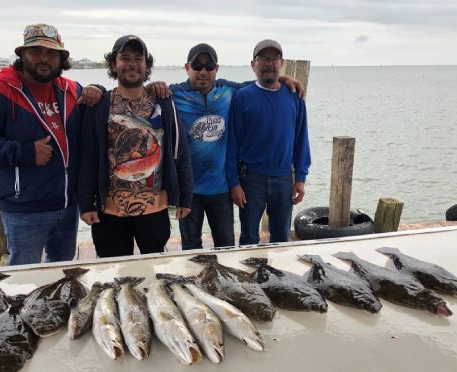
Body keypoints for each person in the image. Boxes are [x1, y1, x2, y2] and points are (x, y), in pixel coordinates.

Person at [0, 23, 103, 265]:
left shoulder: (71, 90)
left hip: (67, 204)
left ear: (61, 58)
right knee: (23, 273)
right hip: (23, 207)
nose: (44, 59)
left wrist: (98, 89)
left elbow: (99, 100)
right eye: (36, 51)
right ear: (22, 54)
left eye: (51, 53)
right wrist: (26, 152)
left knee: (60, 267)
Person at [169, 43, 305, 250]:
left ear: (217, 69)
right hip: (188, 189)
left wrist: (283, 79)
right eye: (197, 66)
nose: (203, 71)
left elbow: (260, 87)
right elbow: (146, 96)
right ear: (187, 68)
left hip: (221, 188)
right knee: (191, 247)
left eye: (209, 66)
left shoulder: (229, 91)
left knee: (226, 246)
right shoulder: (173, 95)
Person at [78, 35, 193, 258]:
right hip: (109, 212)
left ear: (146, 65)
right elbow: (88, 158)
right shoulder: (99, 105)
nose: (132, 63)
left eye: (138, 58)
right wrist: (85, 203)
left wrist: (185, 197)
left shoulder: (164, 103)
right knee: (114, 272)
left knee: (154, 270)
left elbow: (181, 152)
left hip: (154, 209)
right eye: (125, 58)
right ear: (113, 64)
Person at [226, 39, 311, 245]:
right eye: (263, 58)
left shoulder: (294, 96)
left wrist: (300, 177)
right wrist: (234, 182)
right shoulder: (242, 97)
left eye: (274, 58)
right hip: (250, 180)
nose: (269, 63)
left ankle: (280, 276)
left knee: (281, 237)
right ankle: (249, 276)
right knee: (248, 237)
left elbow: (301, 139)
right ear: (253, 64)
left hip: (283, 180)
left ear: (281, 63)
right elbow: (232, 142)